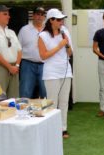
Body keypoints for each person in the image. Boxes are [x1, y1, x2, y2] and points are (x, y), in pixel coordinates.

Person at [38, 8, 73, 138]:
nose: (61, 22)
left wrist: (67, 45)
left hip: (65, 71)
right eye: (58, 19)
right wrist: (59, 46)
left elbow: (70, 53)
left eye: (62, 19)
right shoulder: (43, 36)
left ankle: (63, 128)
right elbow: (43, 56)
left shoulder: (65, 32)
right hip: (51, 72)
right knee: (52, 101)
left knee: (64, 101)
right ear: (51, 20)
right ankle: (51, 128)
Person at [0, 5, 22, 98]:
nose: (8, 16)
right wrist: (9, 67)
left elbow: (19, 50)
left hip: (14, 68)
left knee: (14, 98)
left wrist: (16, 66)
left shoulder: (11, 32)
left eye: (8, 14)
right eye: (5, 14)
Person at [18, 7, 46, 98]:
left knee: (46, 91)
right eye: (38, 14)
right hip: (27, 64)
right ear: (33, 15)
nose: (40, 17)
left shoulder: (47, 30)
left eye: (42, 15)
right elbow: (18, 48)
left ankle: (47, 112)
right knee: (25, 91)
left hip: (45, 64)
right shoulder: (24, 30)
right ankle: (23, 111)